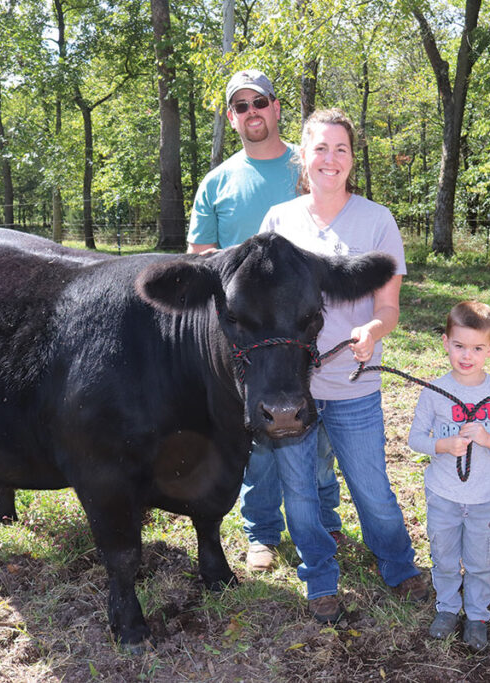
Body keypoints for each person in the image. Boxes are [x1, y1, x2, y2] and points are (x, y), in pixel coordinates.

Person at [260, 108, 427, 624]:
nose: (330, 159)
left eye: (341, 149)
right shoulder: (279, 223)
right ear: (302, 158)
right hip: (294, 391)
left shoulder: (377, 221)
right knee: (301, 495)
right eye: (320, 149)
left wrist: (372, 331)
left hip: (355, 386)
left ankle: (399, 567)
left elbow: (388, 306)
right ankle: (320, 579)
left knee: (372, 489)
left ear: (352, 159)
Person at [187, 69, 341, 572]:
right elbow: (198, 255)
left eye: (261, 102)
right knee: (256, 429)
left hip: (299, 325)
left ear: (277, 108)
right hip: (248, 334)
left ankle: (324, 517)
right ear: (232, 117)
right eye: (241, 106)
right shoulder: (218, 181)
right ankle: (262, 533)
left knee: (310, 426)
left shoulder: (311, 164)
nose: (252, 112)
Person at [407, 301, 490, 650]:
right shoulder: (434, 391)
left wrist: (489, 440)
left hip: (484, 497)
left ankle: (476, 615)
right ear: (445, 343)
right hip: (443, 494)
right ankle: (446, 607)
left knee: (479, 561)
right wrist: (442, 445)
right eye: (459, 346)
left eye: (476, 348)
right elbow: (415, 439)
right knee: (443, 556)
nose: (467, 355)